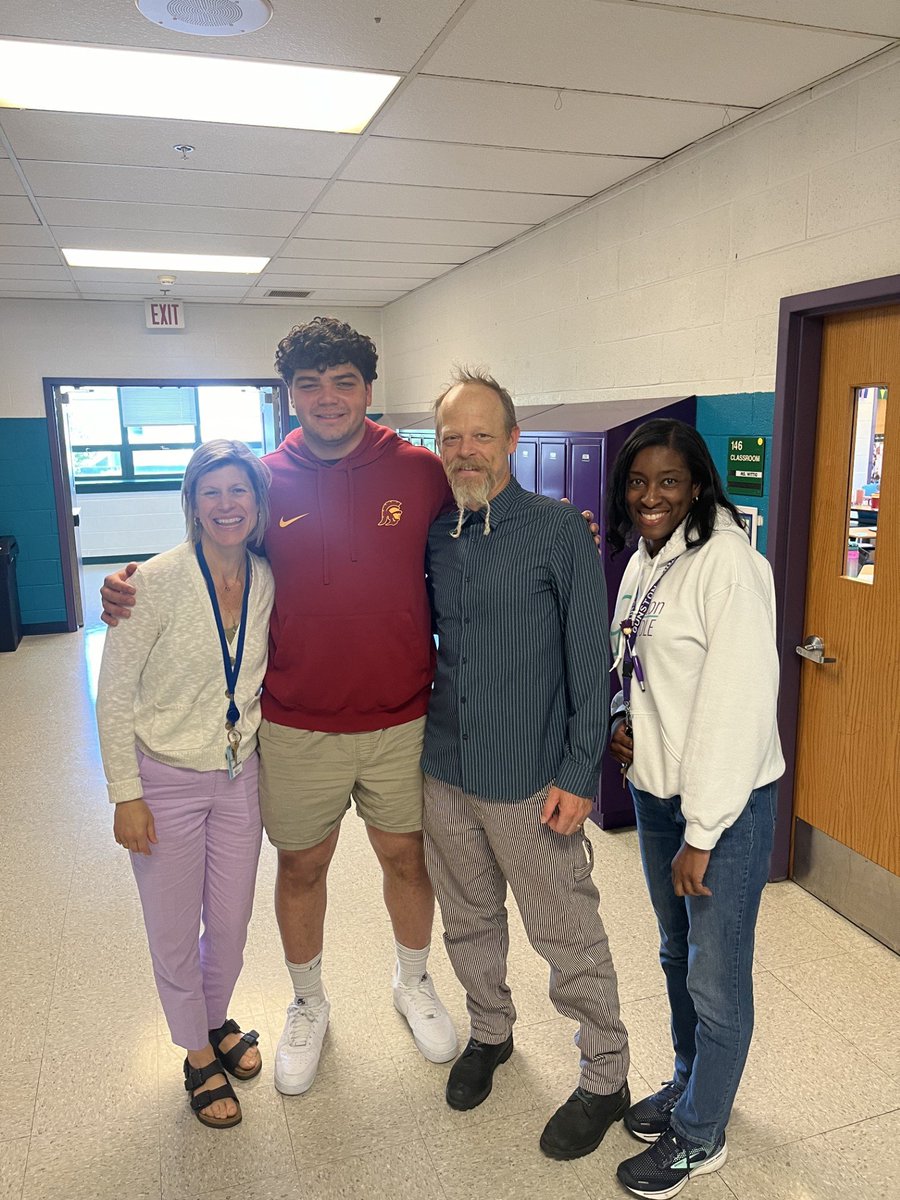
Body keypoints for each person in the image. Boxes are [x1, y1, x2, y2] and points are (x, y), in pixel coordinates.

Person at [101, 318, 458, 1097]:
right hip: (294, 723)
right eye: (309, 384)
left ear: (368, 387)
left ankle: (414, 982)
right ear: (287, 394)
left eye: (343, 381)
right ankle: (307, 1003)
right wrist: (129, 584)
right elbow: (209, 550)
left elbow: (479, 531)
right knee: (303, 866)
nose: (327, 398)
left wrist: (570, 528)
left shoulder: (422, 471)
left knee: (406, 858)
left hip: (401, 717)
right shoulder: (263, 481)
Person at [421, 369, 630, 1161]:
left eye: (481, 434)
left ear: (512, 440)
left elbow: (589, 661)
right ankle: (490, 1034)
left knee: (567, 935)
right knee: (469, 921)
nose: (466, 451)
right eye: (451, 438)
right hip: (445, 772)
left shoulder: (557, 531)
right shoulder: (436, 534)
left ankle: (606, 1076)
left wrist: (581, 773)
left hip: (532, 784)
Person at [606, 419, 784, 1197]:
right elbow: (636, 660)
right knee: (676, 954)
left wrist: (703, 833)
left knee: (716, 976)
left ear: (699, 486)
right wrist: (622, 717)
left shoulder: (731, 569)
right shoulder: (647, 561)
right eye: (639, 483)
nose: (651, 497)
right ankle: (689, 1081)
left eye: (669, 482)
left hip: (724, 811)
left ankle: (702, 1136)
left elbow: (735, 710)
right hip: (658, 797)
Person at [96, 440, 275, 1128]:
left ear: (258, 503)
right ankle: (197, 1051)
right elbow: (115, 692)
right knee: (174, 929)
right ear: (192, 504)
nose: (227, 505)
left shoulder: (266, 578)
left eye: (240, 491)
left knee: (228, 922)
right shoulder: (155, 581)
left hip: (238, 775)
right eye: (212, 492)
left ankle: (216, 1012)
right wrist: (124, 793)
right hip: (162, 779)